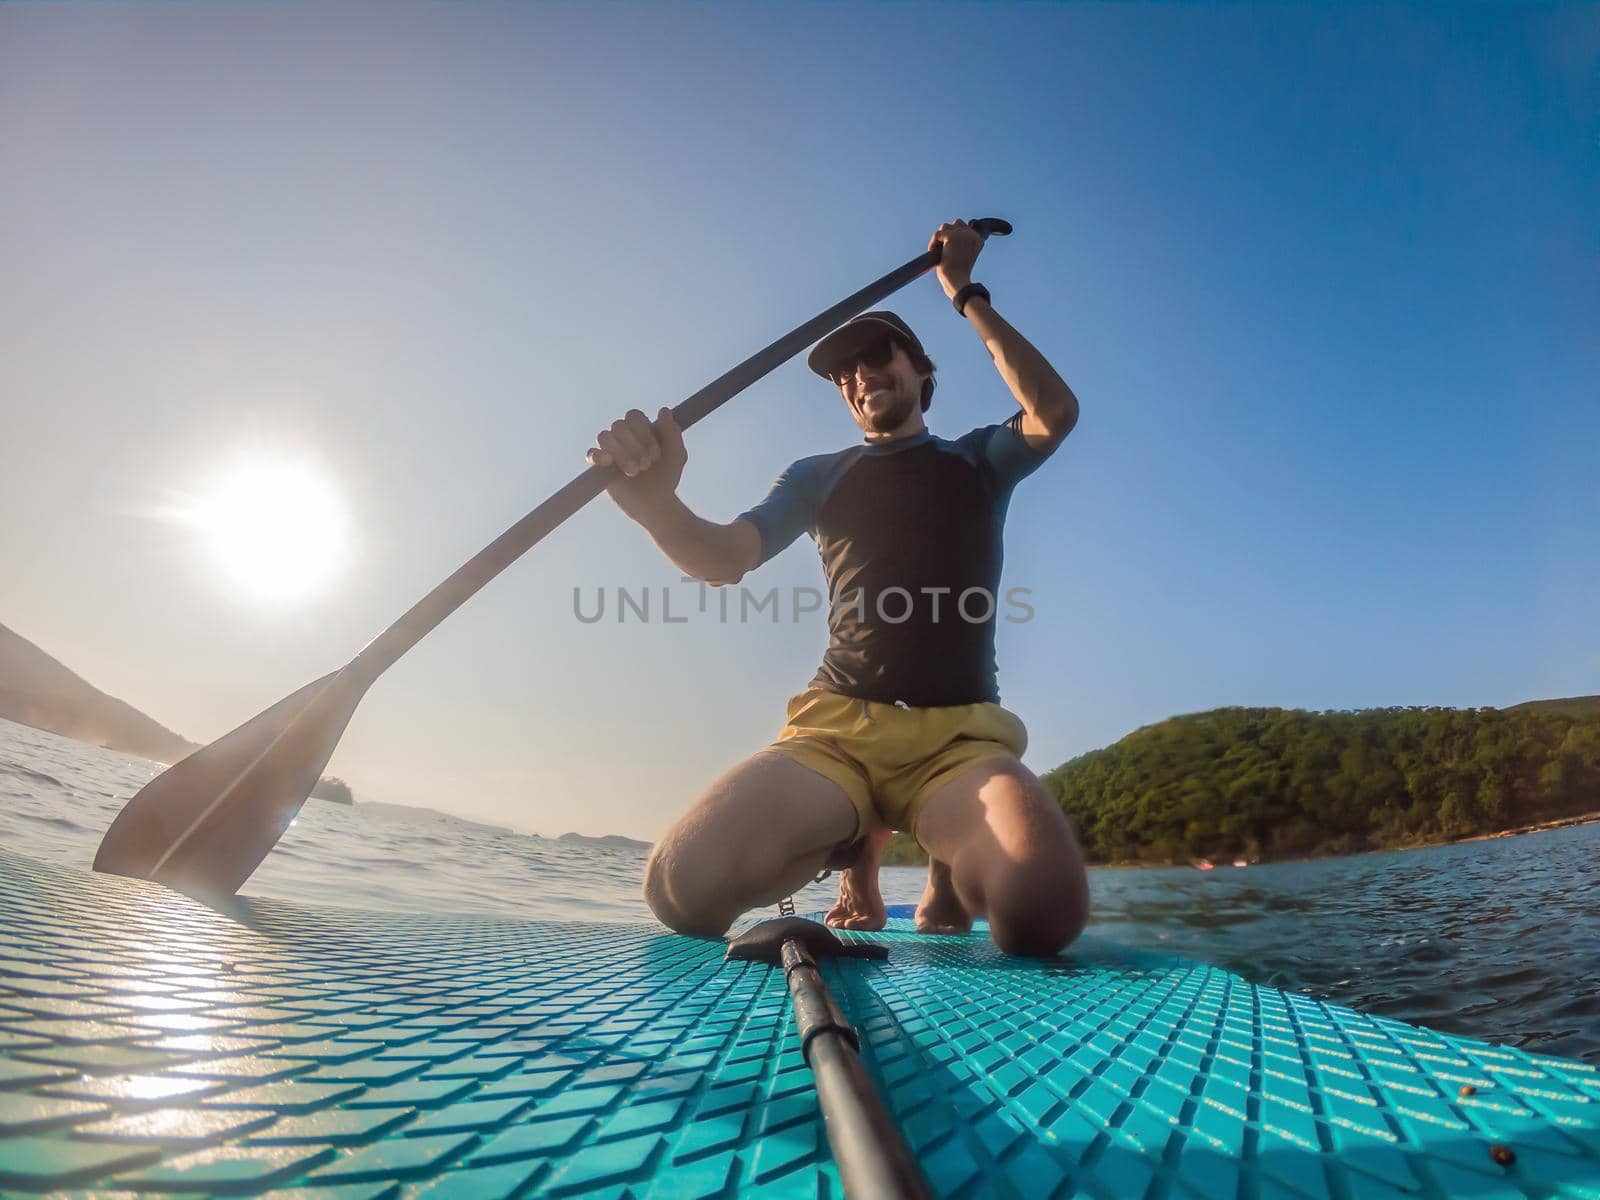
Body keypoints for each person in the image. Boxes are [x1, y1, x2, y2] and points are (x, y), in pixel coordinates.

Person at [587, 220, 1088, 956]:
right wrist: (655, 506)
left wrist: (964, 290)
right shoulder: (818, 475)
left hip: (955, 743)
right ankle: (849, 841)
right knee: (678, 891)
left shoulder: (978, 458)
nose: (859, 375)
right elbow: (724, 557)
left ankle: (941, 860)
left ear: (921, 372)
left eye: (876, 355)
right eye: (843, 373)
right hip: (838, 737)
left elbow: (1055, 414)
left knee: (1038, 912)